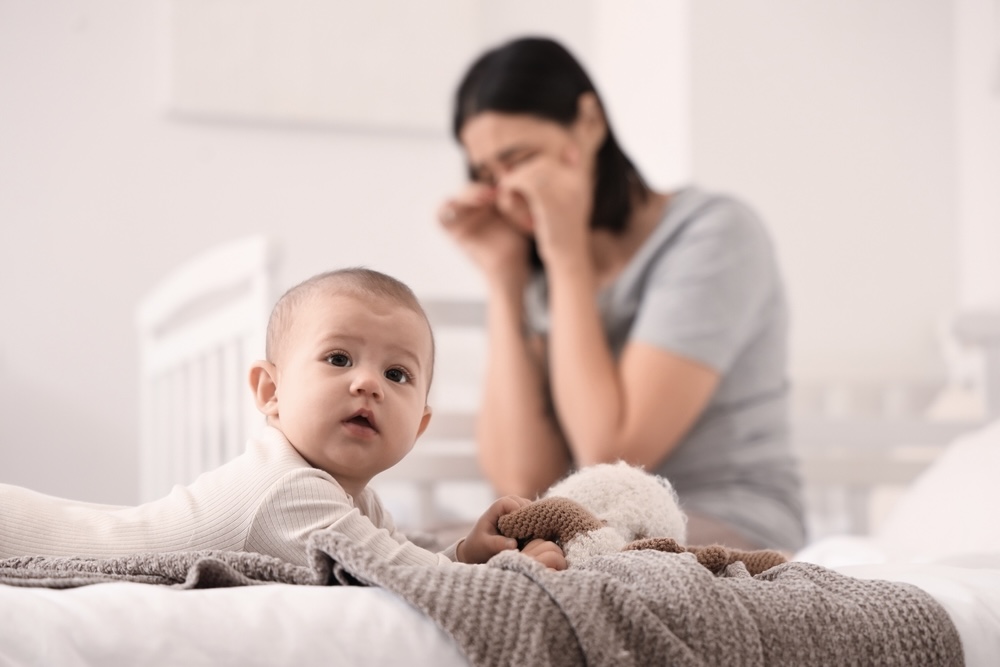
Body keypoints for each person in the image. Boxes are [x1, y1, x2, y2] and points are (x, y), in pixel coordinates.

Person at [438, 36, 806, 552]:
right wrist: (505, 276)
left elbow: (611, 452)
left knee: (540, 554)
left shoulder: (715, 234)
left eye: (518, 159)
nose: (507, 193)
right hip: (593, 517)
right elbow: (521, 480)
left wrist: (568, 256)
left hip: (729, 517)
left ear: (588, 123)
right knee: (434, 548)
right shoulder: (542, 275)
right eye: (486, 176)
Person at [0, 268, 566, 570]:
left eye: (398, 375)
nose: (367, 381)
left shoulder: (352, 500)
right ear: (271, 392)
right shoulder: (287, 490)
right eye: (338, 359)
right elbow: (412, 581)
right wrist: (505, 575)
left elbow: (407, 561)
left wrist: (468, 550)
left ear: (417, 427)